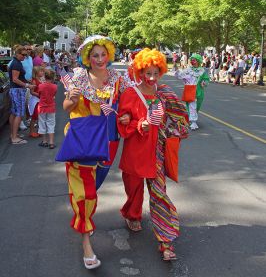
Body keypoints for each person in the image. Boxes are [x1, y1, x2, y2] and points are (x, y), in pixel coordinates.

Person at [61, 35, 131, 270]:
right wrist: (71, 99)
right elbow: (66, 107)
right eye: (95, 55)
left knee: (94, 187)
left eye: (103, 54)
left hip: (109, 141)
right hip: (83, 141)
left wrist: (126, 115)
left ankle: (83, 219)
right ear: (87, 58)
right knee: (85, 193)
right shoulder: (79, 77)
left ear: (109, 54)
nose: (100, 59)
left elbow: (128, 104)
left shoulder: (117, 79)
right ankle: (86, 241)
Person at [117, 48, 189, 261]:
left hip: (156, 153)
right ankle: (132, 213)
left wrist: (168, 132)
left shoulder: (165, 93)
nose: (151, 78)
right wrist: (138, 123)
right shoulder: (130, 93)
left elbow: (181, 121)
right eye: (147, 73)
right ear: (139, 72)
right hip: (135, 151)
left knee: (159, 194)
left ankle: (166, 242)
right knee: (134, 189)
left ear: (161, 72)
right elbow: (123, 125)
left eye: (155, 73)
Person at [174, 53, 209, 130]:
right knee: (192, 106)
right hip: (190, 90)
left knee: (196, 107)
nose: (192, 61)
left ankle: (190, 118)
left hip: (199, 92)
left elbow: (206, 80)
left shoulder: (202, 71)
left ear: (198, 61)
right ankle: (193, 122)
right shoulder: (188, 70)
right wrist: (176, 67)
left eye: (194, 60)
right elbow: (179, 75)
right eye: (192, 60)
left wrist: (204, 83)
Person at [8, 45, 35, 144]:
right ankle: (14, 137)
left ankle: (13, 134)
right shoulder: (16, 64)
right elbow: (15, 79)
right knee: (19, 113)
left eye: (26, 54)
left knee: (14, 113)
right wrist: (27, 85)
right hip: (17, 90)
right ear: (17, 53)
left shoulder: (17, 62)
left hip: (15, 90)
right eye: (23, 54)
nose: (25, 56)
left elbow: (17, 78)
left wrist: (25, 81)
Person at [38, 69, 57, 149]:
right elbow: (53, 95)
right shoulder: (55, 86)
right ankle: (51, 142)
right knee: (51, 124)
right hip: (51, 107)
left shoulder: (41, 86)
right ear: (53, 77)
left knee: (42, 123)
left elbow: (39, 94)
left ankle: (44, 141)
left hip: (42, 107)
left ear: (45, 77)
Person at [28, 66, 45, 137]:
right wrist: (39, 95)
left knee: (39, 116)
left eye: (42, 71)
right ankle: (31, 132)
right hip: (35, 101)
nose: (42, 72)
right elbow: (32, 92)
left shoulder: (41, 79)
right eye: (40, 71)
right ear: (36, 73)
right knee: (34, 117)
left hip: (40, 100)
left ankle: (39, 130)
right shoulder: (34, 80)